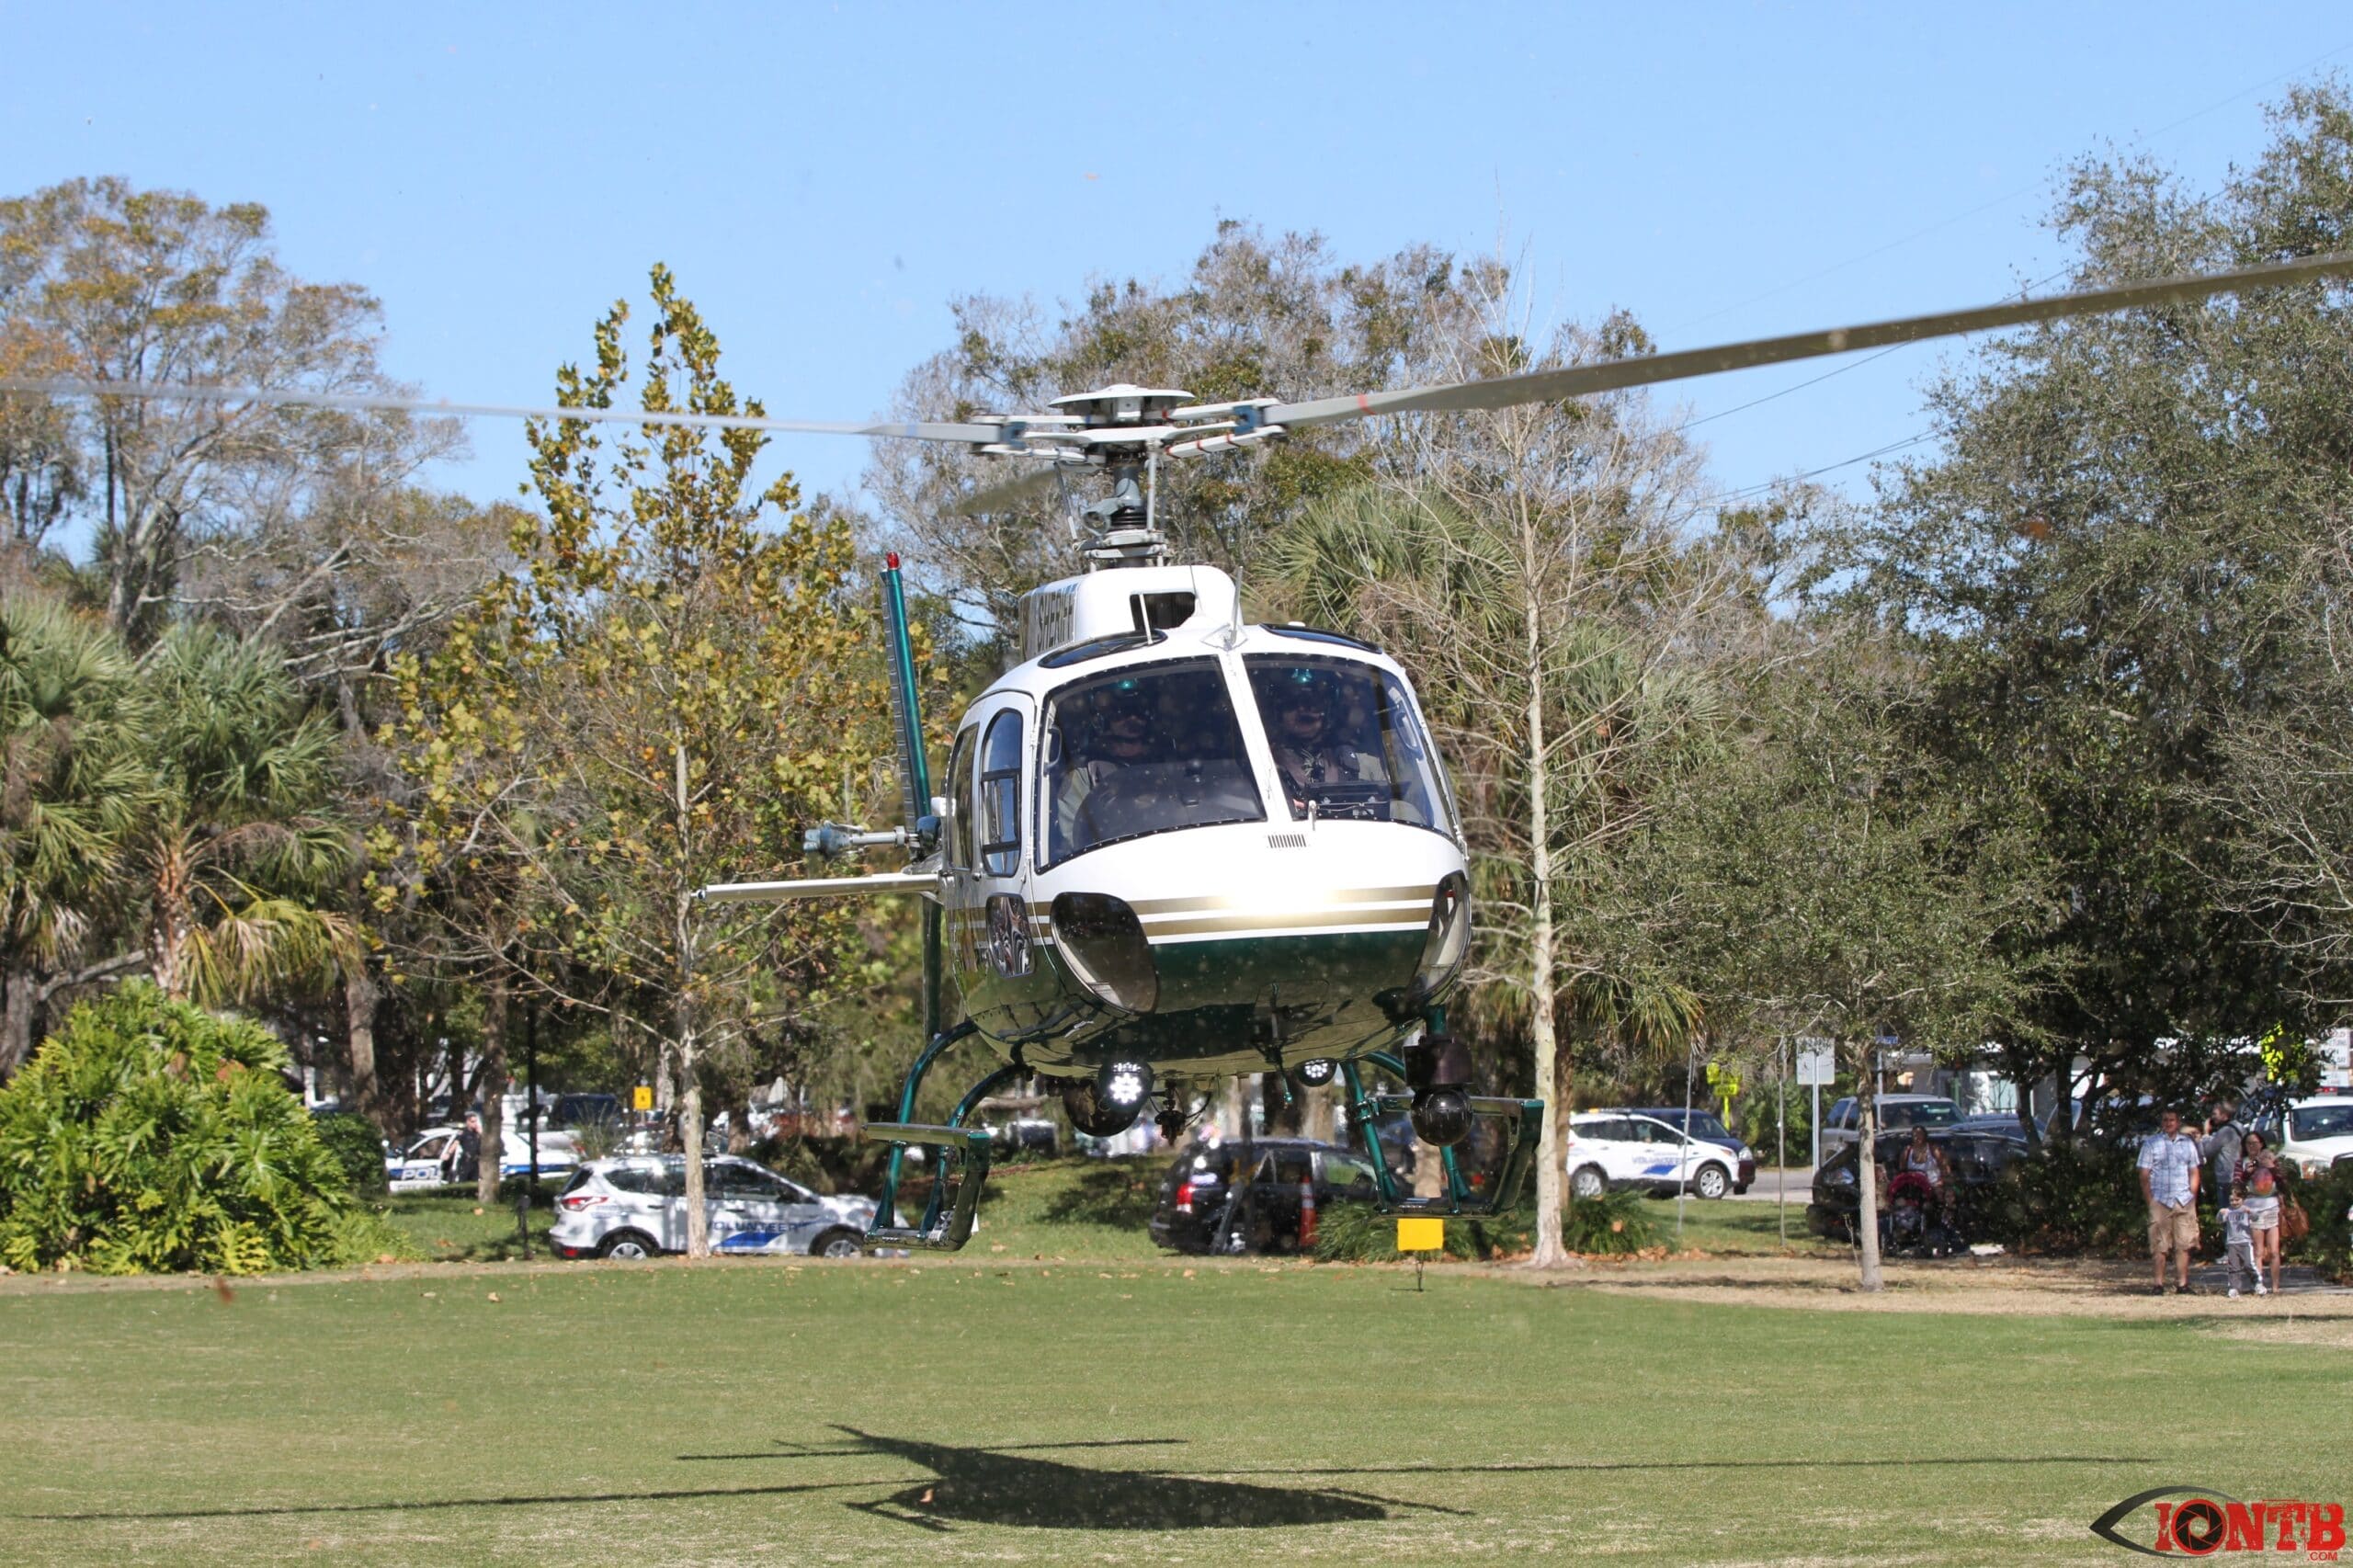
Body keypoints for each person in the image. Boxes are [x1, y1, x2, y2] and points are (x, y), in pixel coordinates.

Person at [1053, 680, 1157, 853]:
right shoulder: (1083, 775)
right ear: (1101, 720)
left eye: (1139, 710)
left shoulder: (1166, 760)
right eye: (1120, 712)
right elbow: (1075, 844)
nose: (1133, 719)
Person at [1264, 668, 1383, 815]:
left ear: (1328, 710)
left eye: (1313, 702)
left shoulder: (1365, 766)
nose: (1303, 709)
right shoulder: (1262, 764)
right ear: (1278, 713)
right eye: (1291, 703)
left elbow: (1393, 806)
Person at [2136, 1108, 2203, 1294]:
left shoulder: (2188, 1144)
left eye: (2171, 1120)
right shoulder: (2151, 1144)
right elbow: (2144, 1174)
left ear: (2177, 1122)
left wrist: (2192, 1196)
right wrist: (2151, 1201)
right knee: (2159, 1244)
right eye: (2165, 1120)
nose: (2168, 1123)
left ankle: (2182, 1284)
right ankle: (2158, 1284)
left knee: (2184, 1243)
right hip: (2160, 1199)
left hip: (2183, 1199)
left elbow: (2194, 1171)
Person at [2236, 1135, 2283, 1296]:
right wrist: (2247, 1173)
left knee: (2274, 1250)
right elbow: (2236, 1186)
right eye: (2248, 1143)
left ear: (2261, 1144)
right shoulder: (2242, 1163)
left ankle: (2276, 1286)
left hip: (2272, 1207)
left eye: (2255, 1143)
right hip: (2253, 1209)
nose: (2252, 1146)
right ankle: (2259, 1285)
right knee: (2258, 1251)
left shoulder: (2271, 1159)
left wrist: (2272, 1168)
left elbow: (2283, 1182)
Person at [1896, 1125, 1955, 1222]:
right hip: (1914, 1187)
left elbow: (1945, 1169)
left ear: (1925, 1135)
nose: (1917, 1137)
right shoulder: (1907, 1152)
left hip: (1934, 1185)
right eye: (1915, 1134)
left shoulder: (1933, 1149)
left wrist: (1941, 1182)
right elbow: (1901, 1173)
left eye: (1920, 1134)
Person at [2200, 1099, 2245, 1210]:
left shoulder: (2225, 1131)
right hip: (2240, 1175)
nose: (2212, 1117)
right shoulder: (2239, 1127)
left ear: (2224, 1115)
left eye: (2215, 1114)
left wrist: (2206, 1133)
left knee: (2226, 1212)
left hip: (2226, 1179)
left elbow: (2208, 1151)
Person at [2220, 1187, 2257, 1300]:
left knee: (2248, 1265)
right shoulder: (2228, 1211)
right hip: (2232, 1242)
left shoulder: (2245, 1210)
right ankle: (2234, 1287)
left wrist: (2250, 1212)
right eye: (2232, 1200)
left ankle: (2257, 1282)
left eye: (2237, 1200)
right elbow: (2219, 1220)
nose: (2234, 1202)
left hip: (2245, 1242)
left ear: (2242, 1199)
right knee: (2233, 1267)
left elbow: (2256, 1217)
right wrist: (2220, 1213)